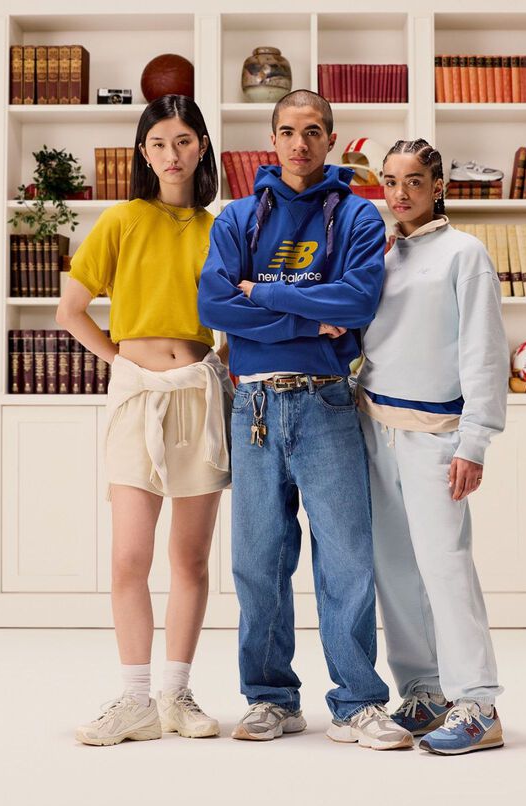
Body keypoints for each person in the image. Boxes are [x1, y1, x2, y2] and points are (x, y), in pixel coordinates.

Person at [196, 90, 410, 750]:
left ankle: (356, 703)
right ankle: (270, 699)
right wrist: (305, 314)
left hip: (326, 403)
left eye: (312, 131)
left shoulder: (358, 216)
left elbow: (355, 301)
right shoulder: (235, 217)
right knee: (259, 563)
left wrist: (262, 293)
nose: (299, 144)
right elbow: (214, 304)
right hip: (254, 406)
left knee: (346, 560)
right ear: (272, 138)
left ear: (331, 139)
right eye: (287, 131)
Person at [57, 95, 231, 746]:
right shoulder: (121, 220)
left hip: (197, 394)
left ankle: (176, 694)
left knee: (189, 559)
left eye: (184, 141)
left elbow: (237, 318)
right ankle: (133, 699)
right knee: (130, 556)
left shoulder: (221, 228)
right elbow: (71, 310)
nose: (172, 154)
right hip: (137, 398)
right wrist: (121, 363)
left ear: (202, 148)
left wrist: (219, 364)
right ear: (143, 153)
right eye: (159, 142)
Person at [358, 138, 508, 755]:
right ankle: (423, 690)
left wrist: (475, 441)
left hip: (438, 436)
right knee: (394, 569)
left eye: (414, 181)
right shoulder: (379, 253)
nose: (401, 193)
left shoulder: (464, 255)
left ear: (438, 185)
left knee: (445, 567)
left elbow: (484, 353)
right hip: (373, 429)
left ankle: (478, 703)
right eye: (391, 182)